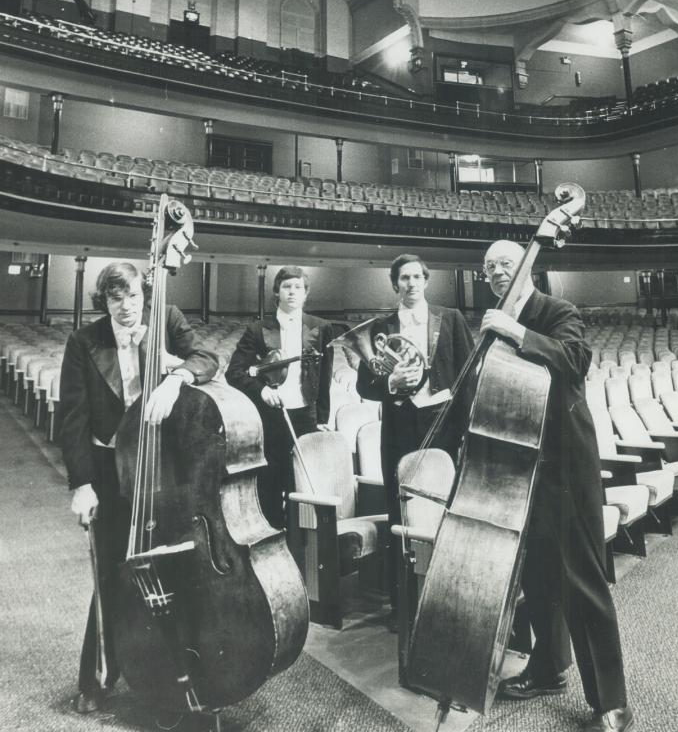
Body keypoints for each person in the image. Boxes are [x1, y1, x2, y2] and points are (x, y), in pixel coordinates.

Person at [481, 240, 634, 732]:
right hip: (518, 464)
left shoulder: (555, 310)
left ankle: (612, 701)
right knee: (539, 579)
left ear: (529, 266)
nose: (497, 272)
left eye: (505, 262)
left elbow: (574, 360)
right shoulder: (487, 324)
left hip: (565, 466)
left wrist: (515, 330)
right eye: (488, 267)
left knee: (582, 583)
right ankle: (547, 668)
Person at [58, 260, 219, 715]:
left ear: (144, 294)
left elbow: (207, 358)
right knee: (111, 568)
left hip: (164, 466)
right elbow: (72, 418)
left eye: (131, 295)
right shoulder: (84, 341)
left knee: (179, 565)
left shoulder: (166, 318)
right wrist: (83, 484)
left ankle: (186, 666)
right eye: (114, 297)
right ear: (103, 301)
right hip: (111, 467)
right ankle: (98, 677)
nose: (125, 306)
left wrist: (178, 376)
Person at [355, 253, 473, 616]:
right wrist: (390, 382)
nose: (410, 284)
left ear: (426, 280)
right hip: (400, 426)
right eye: (403, 278)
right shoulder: (381, 327)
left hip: (443, 424)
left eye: (416, 277)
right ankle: (402, 604)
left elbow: (468, 373)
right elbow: (365, 385)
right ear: (395, 284)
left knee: (443, 503)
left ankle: (444, 594)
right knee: (400, 507)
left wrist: (467, 425)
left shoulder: (450, 319)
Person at [225, 266, 334, 530]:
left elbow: (325, 376)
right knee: (271, 483)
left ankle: (302, 543)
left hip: (305, 417)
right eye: (287, 287)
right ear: (277, 292)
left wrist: (321, 418)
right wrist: (262, 390)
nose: (292, 292)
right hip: (270, 418)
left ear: (306, 293)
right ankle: (274, 539)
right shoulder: (258, 329)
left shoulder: (321, 328)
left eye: (298, 287)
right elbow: (234, 373)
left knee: (303, 485)